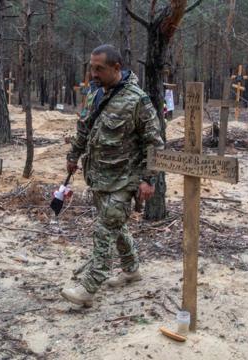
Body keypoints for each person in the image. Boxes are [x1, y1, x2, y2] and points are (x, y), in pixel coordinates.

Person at [61, 44, 164, 307]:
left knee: (105, 229)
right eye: (91, 68)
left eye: (99, 69)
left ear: (116, 68)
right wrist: (73, 157)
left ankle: (89, 287)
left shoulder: (137, 100)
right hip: (98, 176)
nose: (93, 73)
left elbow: (155, 144)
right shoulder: (94, 93)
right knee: (116, 226)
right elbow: (84, 128)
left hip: (125, 179)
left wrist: (148, 179)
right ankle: (131, 269)